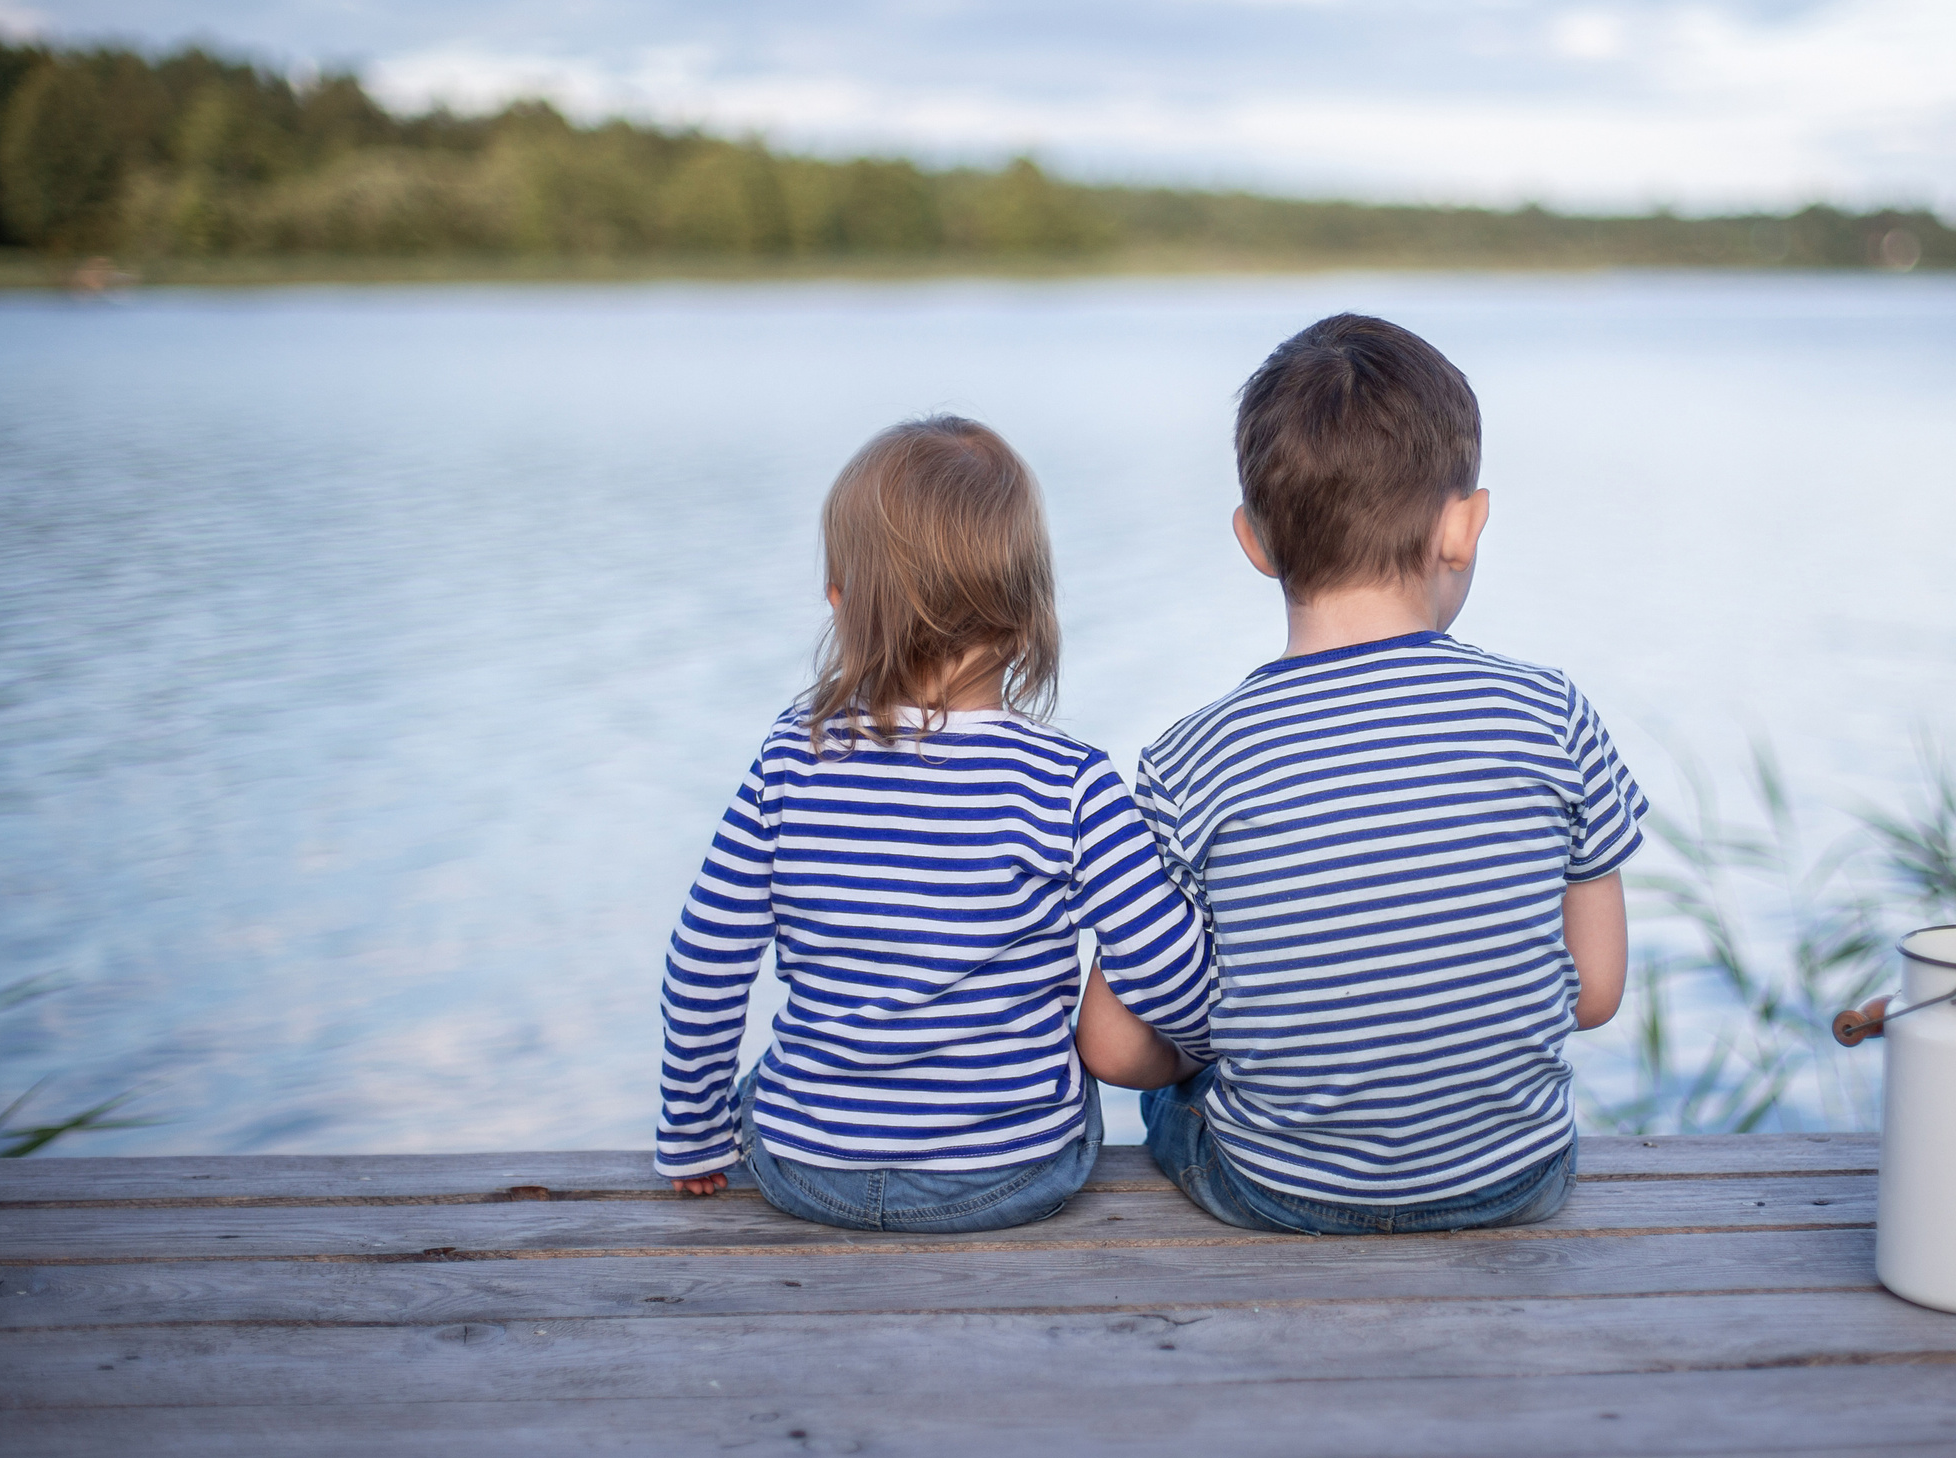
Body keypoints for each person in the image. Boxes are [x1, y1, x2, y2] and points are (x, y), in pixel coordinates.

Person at [1076, 313, 1644, 1234]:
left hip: (1278, 1188)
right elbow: (1596, 989)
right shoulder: (1553, 715)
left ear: (1253, 541)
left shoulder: (1191, 761)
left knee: (1180, 1095)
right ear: (1465, 525)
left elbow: (1109, 1043)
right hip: (1515, 1178)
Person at [654, 416, 1213, 1231]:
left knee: (763, 1091)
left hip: (812, 1170)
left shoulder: (790, 755)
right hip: (1012, 1170)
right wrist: (1215, 1053)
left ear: (842, 602)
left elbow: (704, 959)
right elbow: (1168, 970)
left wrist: (693, 1133)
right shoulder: (1071, 782)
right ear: (1027, 616)